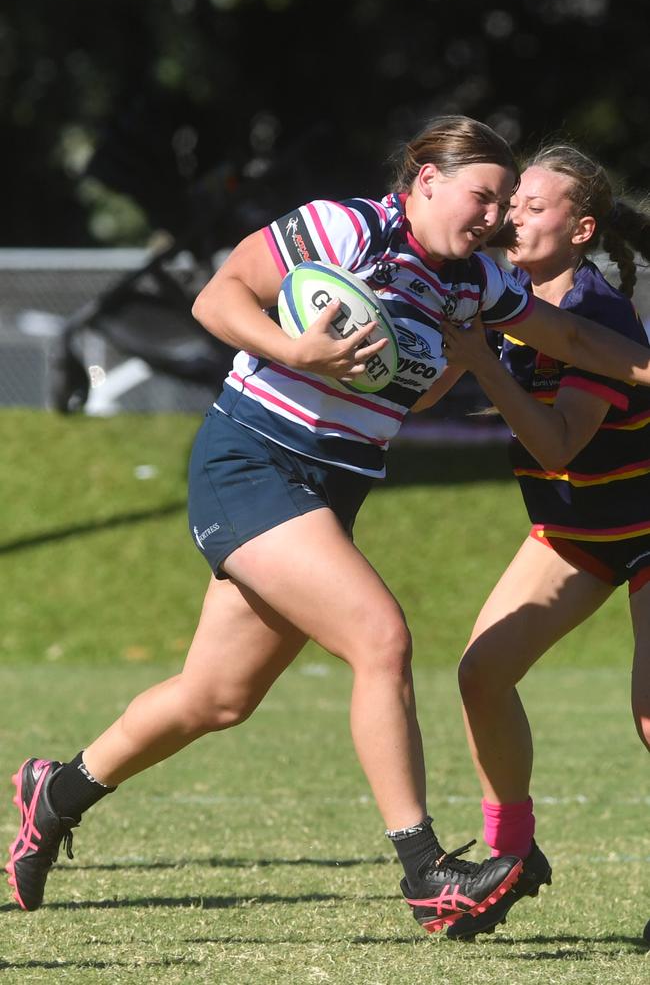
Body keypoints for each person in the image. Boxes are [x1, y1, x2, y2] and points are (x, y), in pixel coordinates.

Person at [8, 118, 650, 935]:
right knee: (380, 638)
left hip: (332, 488)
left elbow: (567, 334)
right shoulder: (344, 227)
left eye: (502, 204)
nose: (493, 218)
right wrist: (291, 348)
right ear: (423, 180)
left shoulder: (470, 285)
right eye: (482, 198)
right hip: (251, 461)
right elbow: (217, 296)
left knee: (216, 696)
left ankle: (52, 793)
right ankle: (426, 873)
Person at [417, 144, 650, 941]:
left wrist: (485, 362)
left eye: (534, 205)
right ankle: (512, 857)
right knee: (482, 674)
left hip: (647, 528)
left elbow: (559, 446)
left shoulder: (599, 314)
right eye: (511, 201)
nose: (511, 214)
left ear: (581, 229)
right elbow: (425, 398)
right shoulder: (497, 297)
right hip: (581, 530)